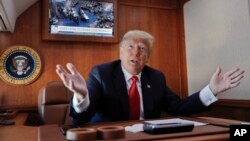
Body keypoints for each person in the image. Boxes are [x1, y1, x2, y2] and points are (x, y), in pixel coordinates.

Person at [56, 30, 245, 126]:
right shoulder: (101, 73)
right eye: (130, 46)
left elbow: (178, 108)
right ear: (120, 52)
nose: (136, 52)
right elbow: (81, 121)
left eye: (142, 49)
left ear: (148, 58)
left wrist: (210, 90)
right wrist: (81, 96)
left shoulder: (156, 78)